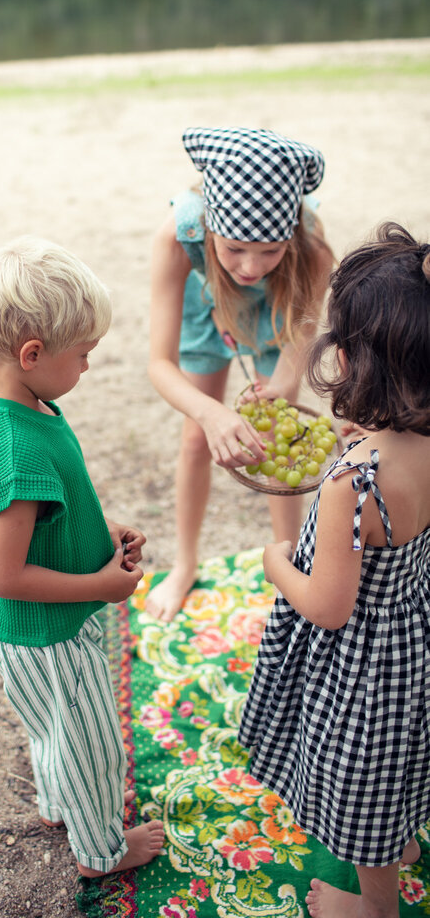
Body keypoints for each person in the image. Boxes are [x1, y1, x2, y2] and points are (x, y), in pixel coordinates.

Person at [0, 237, 165, 878]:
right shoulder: (19, 451)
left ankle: (58, 803)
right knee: (90, 742)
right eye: (83, 355)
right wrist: (102, 586)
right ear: (33, 354)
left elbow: (58, 508)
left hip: (34, 633)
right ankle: (102, 850)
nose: (87, 368)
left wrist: (102, 531)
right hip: (47, 634)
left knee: (53, 727)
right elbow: (6, 574)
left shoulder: (30, 407)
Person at [238, 222, 430, 918]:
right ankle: (399, 837)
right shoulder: (412, 444)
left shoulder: (352, 480)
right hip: (413, 640)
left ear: (348, 359)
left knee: (361, 780)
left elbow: (327, 606)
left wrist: (273, 562)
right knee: (402, 759)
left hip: (362, 668)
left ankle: (375, 903)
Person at [146, 127, 335, 622]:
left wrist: (281, 385)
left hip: (274, 314)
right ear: (209, 231)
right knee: (194, 442)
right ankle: (184, 563)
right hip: (203, 309)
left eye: (269, 251)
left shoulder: (311, 250)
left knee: (277, 440)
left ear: (289, 239)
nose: (251, 266)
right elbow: (158, 363)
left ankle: (290, 562)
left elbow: (303, 333)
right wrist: (209, 413)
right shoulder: (177, 237)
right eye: (234, 249)